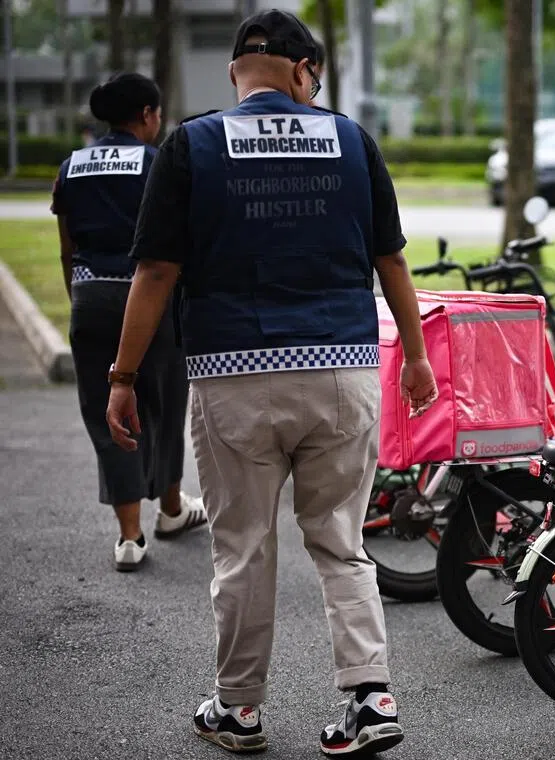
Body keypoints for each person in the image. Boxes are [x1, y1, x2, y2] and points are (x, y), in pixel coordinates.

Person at [104, 9, 437, 757]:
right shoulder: (352, 139)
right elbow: (392, 261)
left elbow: (156, 270)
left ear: (234, 73)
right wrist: (415, 359)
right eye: (314, 77)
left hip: (235, 376)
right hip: (344, 373)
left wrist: (123, 376)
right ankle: (370, 696)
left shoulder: (190, 143)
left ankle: (240, 710)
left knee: (244, 547)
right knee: (342, 544)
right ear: (300, 70)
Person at [52, 73, 206, 573]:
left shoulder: (70, 167)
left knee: (106, 414)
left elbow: (66, 246)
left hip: (91, 296)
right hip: (151, 300)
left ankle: (129, 537)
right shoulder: (157, 162)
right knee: (161, 406)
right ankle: (172, 510)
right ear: (146, 115)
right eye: (157, 115)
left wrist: (82, 298)